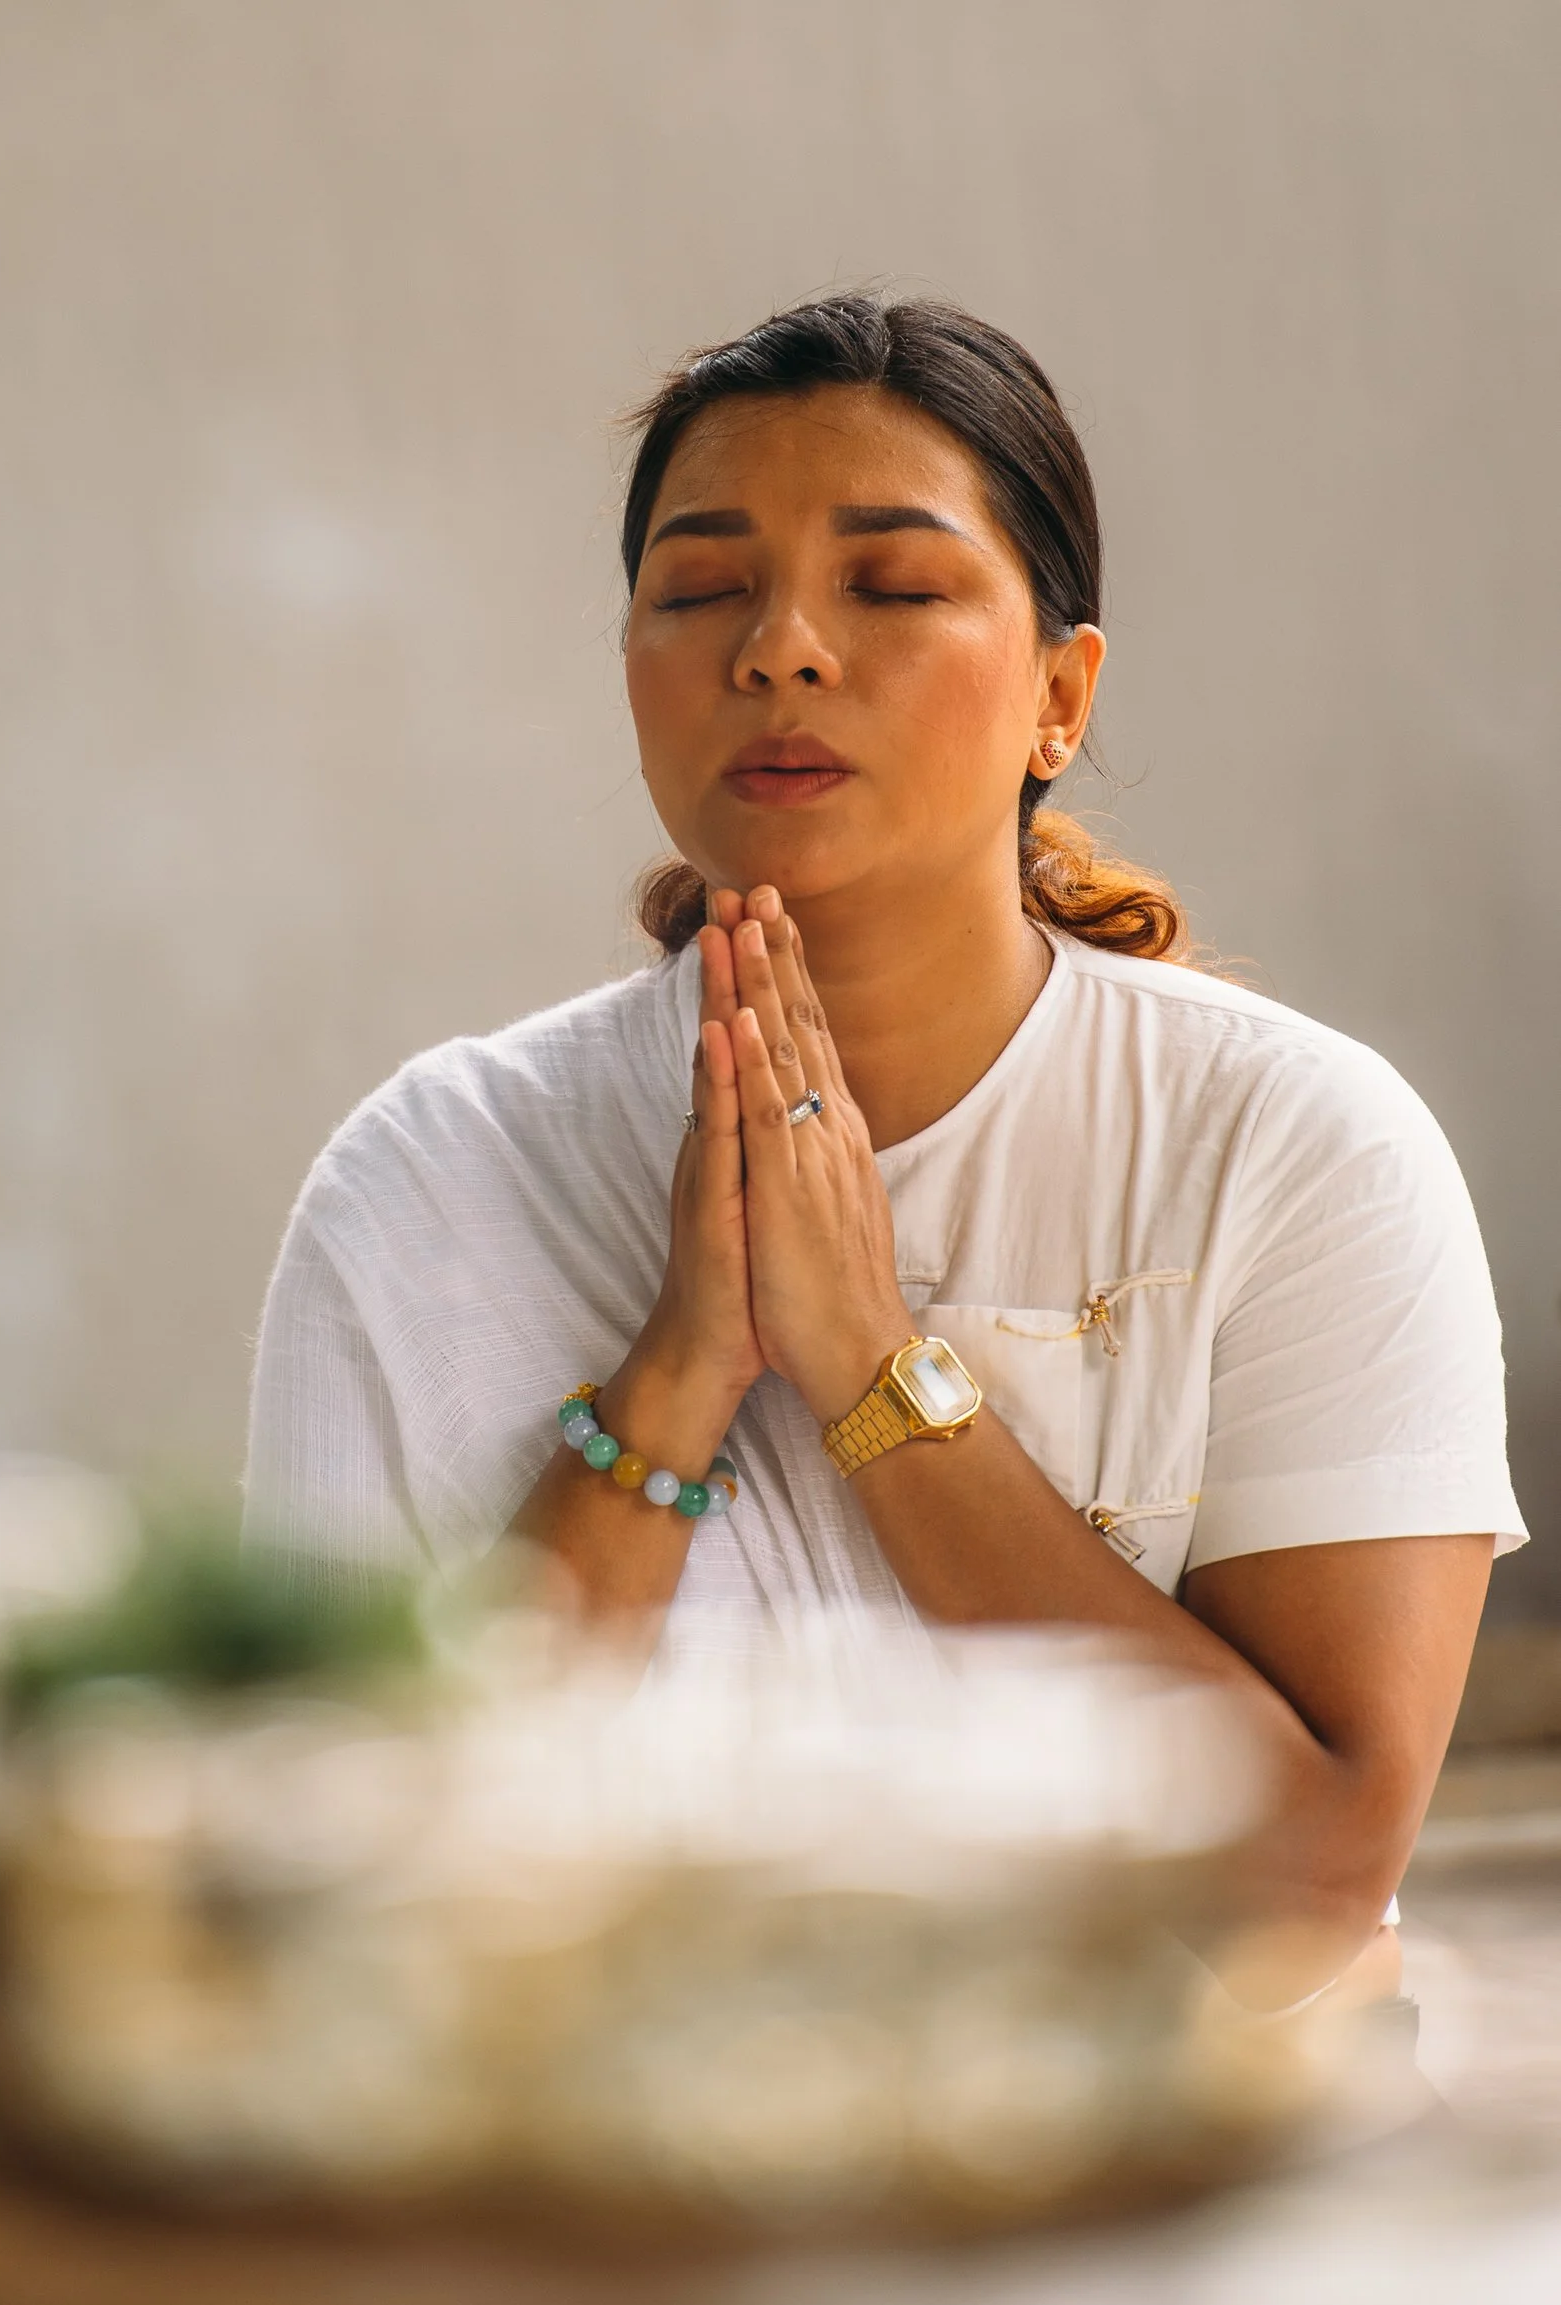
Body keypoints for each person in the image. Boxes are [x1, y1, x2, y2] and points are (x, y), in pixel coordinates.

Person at [244, 295, 1524, 2000]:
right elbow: (331, 1876)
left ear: (1061, 697)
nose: (779, 647)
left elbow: (1309, 1872)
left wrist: (871, 1366)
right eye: (700, 589)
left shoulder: (1295, 1152)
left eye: (895, 587)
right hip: (606, 2225)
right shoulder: (427, 1182)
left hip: (1179, 2224)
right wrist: (677, 1378)